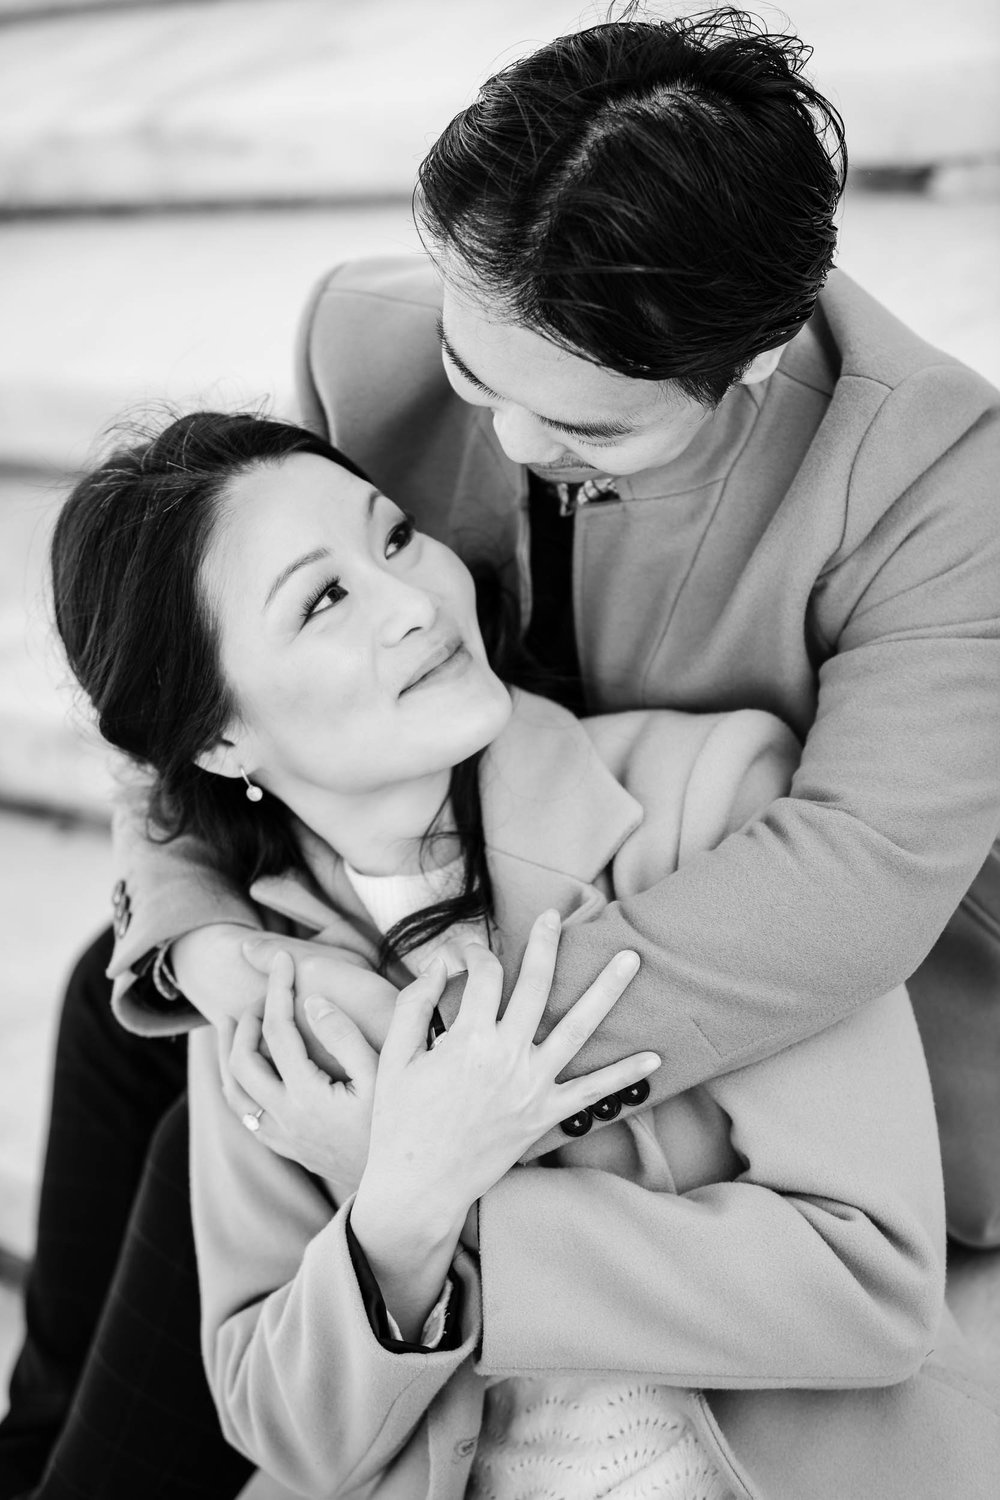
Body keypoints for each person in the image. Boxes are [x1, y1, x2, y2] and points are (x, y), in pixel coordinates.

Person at [2, 4, 999, 1492]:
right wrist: (215, 945)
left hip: (795, 980)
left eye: (585, 433)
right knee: (137, 1004)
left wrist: (422, 1106)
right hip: (465, 858)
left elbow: (848, 888)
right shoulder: (376, 336)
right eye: (480, 383)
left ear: (751, 356)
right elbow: (204, 683)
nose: (511, 448)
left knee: (249, 1145)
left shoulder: (936, 478)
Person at [46, 409, 1000, 1498]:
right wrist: (401, 1221)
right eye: (323, 599)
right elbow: (285, 1429)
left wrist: (426, 1194)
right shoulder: (263, 970)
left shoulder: (705, 803)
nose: (415, 601)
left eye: (396, 537)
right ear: (220, 739)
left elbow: (865, 1287)